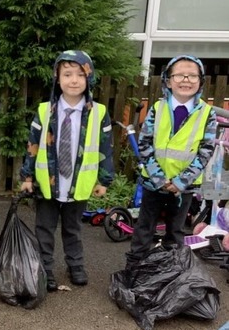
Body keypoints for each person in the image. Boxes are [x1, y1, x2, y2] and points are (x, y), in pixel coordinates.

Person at [20, 50, 114, 291]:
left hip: (78, 183)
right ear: (57, 78)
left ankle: (76, 265)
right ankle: (45, 267)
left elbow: (105, 147)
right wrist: (27, 176)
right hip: (48, 183)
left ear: (89, 79)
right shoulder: (45, 111)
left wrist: (103, 179)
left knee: (73, 229)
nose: (74, 80)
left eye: (80, 75)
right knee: (45, 228)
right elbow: (32, 145)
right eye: (67, 74)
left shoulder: (99, 112)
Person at [125, 54, 216, 269]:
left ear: (201, 82)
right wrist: (160, 178)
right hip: (153, 183)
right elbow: (145, 144)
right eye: (180, 75)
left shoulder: (207, 114)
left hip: (183, 188)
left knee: (175, 231)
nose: (186, 80)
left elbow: (206, 151)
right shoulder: (157, 109)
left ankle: (170, 272)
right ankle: (134, 269)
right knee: (144, 227)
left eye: (192, 76)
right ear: (168, 80)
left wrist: (180, 182)